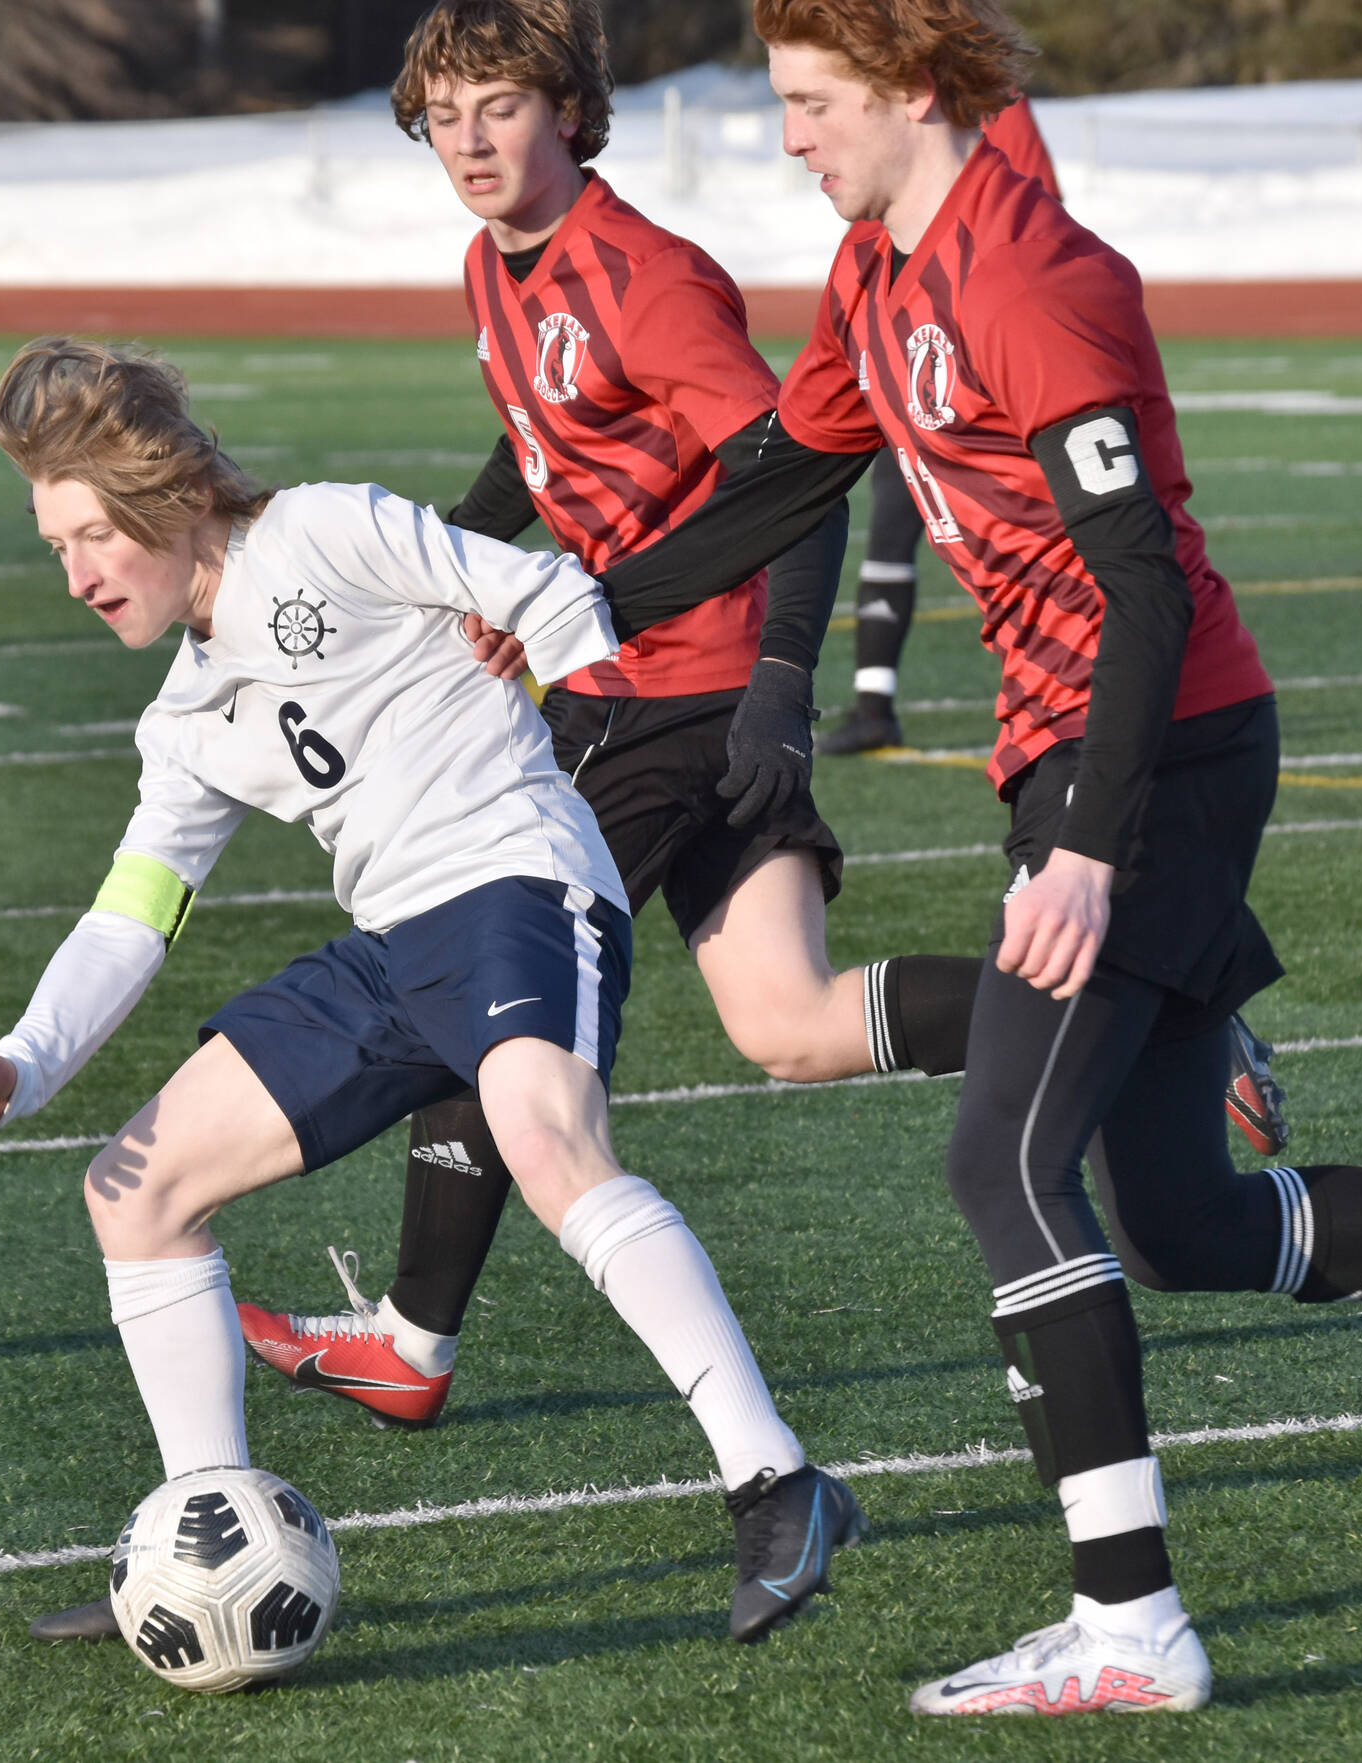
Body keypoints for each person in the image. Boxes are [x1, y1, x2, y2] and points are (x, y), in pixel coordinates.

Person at [552, 0, 1362, 1715]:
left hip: (1153, 765)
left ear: (907, 92)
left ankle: (1129, 1620)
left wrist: (1091, 847)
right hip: (1092, 770)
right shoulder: (878, 276)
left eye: (812, 104)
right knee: (1177, 1219)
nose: (790, 137)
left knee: (1002, 1169)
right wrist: (558, 602)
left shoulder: (1029, 277)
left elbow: (1143, 585)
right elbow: (771, 487)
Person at [0, 337, 863, 1650]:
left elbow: (542, 591)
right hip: (392, 943)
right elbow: (132, 913)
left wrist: (566, 716)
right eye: (53, 545)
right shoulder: (186, 710)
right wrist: (17, 1063)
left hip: (518, 884)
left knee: (543, 1133)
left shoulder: (321, 530)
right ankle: (203, 1525)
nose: (73, 575)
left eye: (88, 535)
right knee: (132, 1186)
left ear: (172, 499)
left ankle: (778, 1479)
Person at [231, 0, 983, 1438]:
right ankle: (1128, 1015)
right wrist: (443, 560)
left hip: (675, 696)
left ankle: (410, 1336)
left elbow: (798, 484)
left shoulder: (645, 277)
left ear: (570, 113)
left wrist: (780, 691)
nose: (468, 139)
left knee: (483, 975)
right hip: (636, 684)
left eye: (499, 106)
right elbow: (538, 437)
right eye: (444, 113)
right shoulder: (491, 265)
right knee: (791, 1022)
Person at [823, 93, 1059, 760]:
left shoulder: (992, 104)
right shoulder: (858, 261)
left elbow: (1037, 213)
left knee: (1025, 536)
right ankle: (873, 701)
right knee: (892, 520)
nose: (795, 137)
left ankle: (1052, 699)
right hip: (906, 338)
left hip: (973, 351)